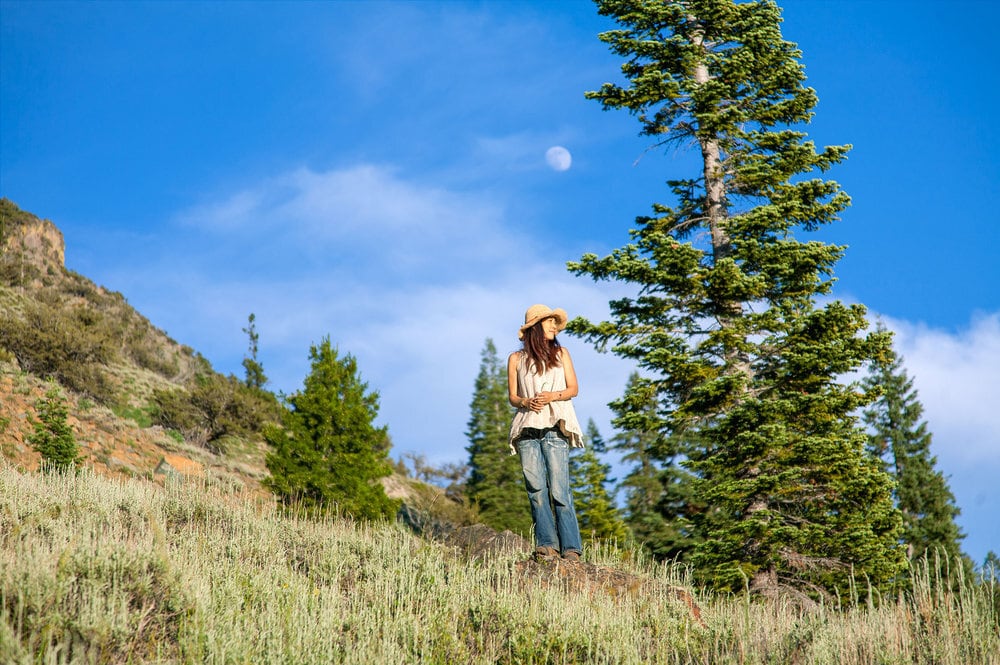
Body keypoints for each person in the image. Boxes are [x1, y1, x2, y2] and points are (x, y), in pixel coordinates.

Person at [507, 304, 585, 562]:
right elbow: (513, 397)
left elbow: (573, 389)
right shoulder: (516, 359)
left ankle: (571, 548)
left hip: (554, 427)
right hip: (527, 429)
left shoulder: (561, 353)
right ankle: (547, 545)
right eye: (549, 321)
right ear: (535, 326)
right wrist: (525, 401)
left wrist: (552, 395)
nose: (554, 326)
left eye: (555, 322)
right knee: (536, 489)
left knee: (560, 490)